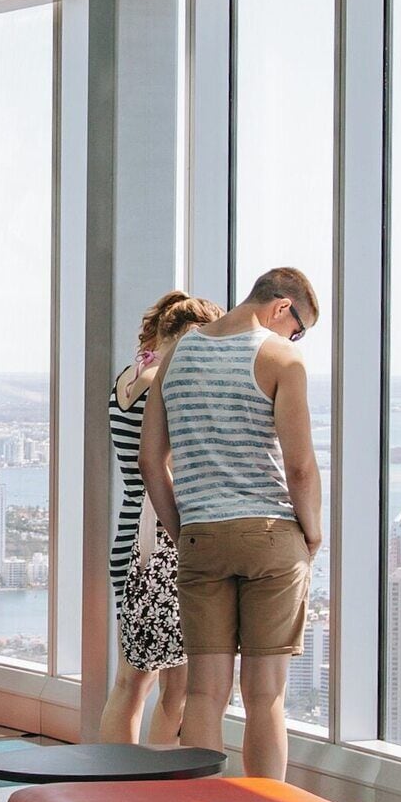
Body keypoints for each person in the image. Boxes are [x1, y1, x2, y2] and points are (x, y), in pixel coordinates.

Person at [145, 266, 325, 783]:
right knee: (265, 694)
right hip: (270, 535)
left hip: (202, 537)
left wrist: (184, 531)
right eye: (299, 329)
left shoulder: (177, 354)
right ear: (281, 307)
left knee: (204, 691)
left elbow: (150, 461)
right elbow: (300, 466)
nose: (295, 340)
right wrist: (312, 532)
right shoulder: (279, 357)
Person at [101, 291, 219, 748]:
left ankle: (116, 788)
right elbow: (167, 464)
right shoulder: (165, 382)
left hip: (128, 533)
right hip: (162, 539)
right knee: (179, 691)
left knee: (130, 682)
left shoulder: (127, 379)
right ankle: (157, 793)